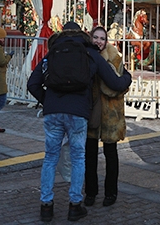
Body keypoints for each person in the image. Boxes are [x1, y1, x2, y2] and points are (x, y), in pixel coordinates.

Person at [28, 21, 132, 223]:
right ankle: (75, 205)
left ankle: (46, 206)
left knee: (50, 158)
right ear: (82, 35)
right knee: (78, 158)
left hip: (53, 112)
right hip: (78, 113)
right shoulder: (89, 52)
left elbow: (32, 83)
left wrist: (48, 101)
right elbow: (115, 83)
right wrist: (126, 77)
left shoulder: (53, 52)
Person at [84, 26, 128, 208]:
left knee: (111, 154)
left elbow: (117, 85)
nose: (99, 41)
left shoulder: (114, 57)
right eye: (96, 37)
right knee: (90, 154)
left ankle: (111, 192)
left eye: (102, 38)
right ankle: (90, 192)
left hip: (111, 112)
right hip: (92, 111)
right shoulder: (86, 56)